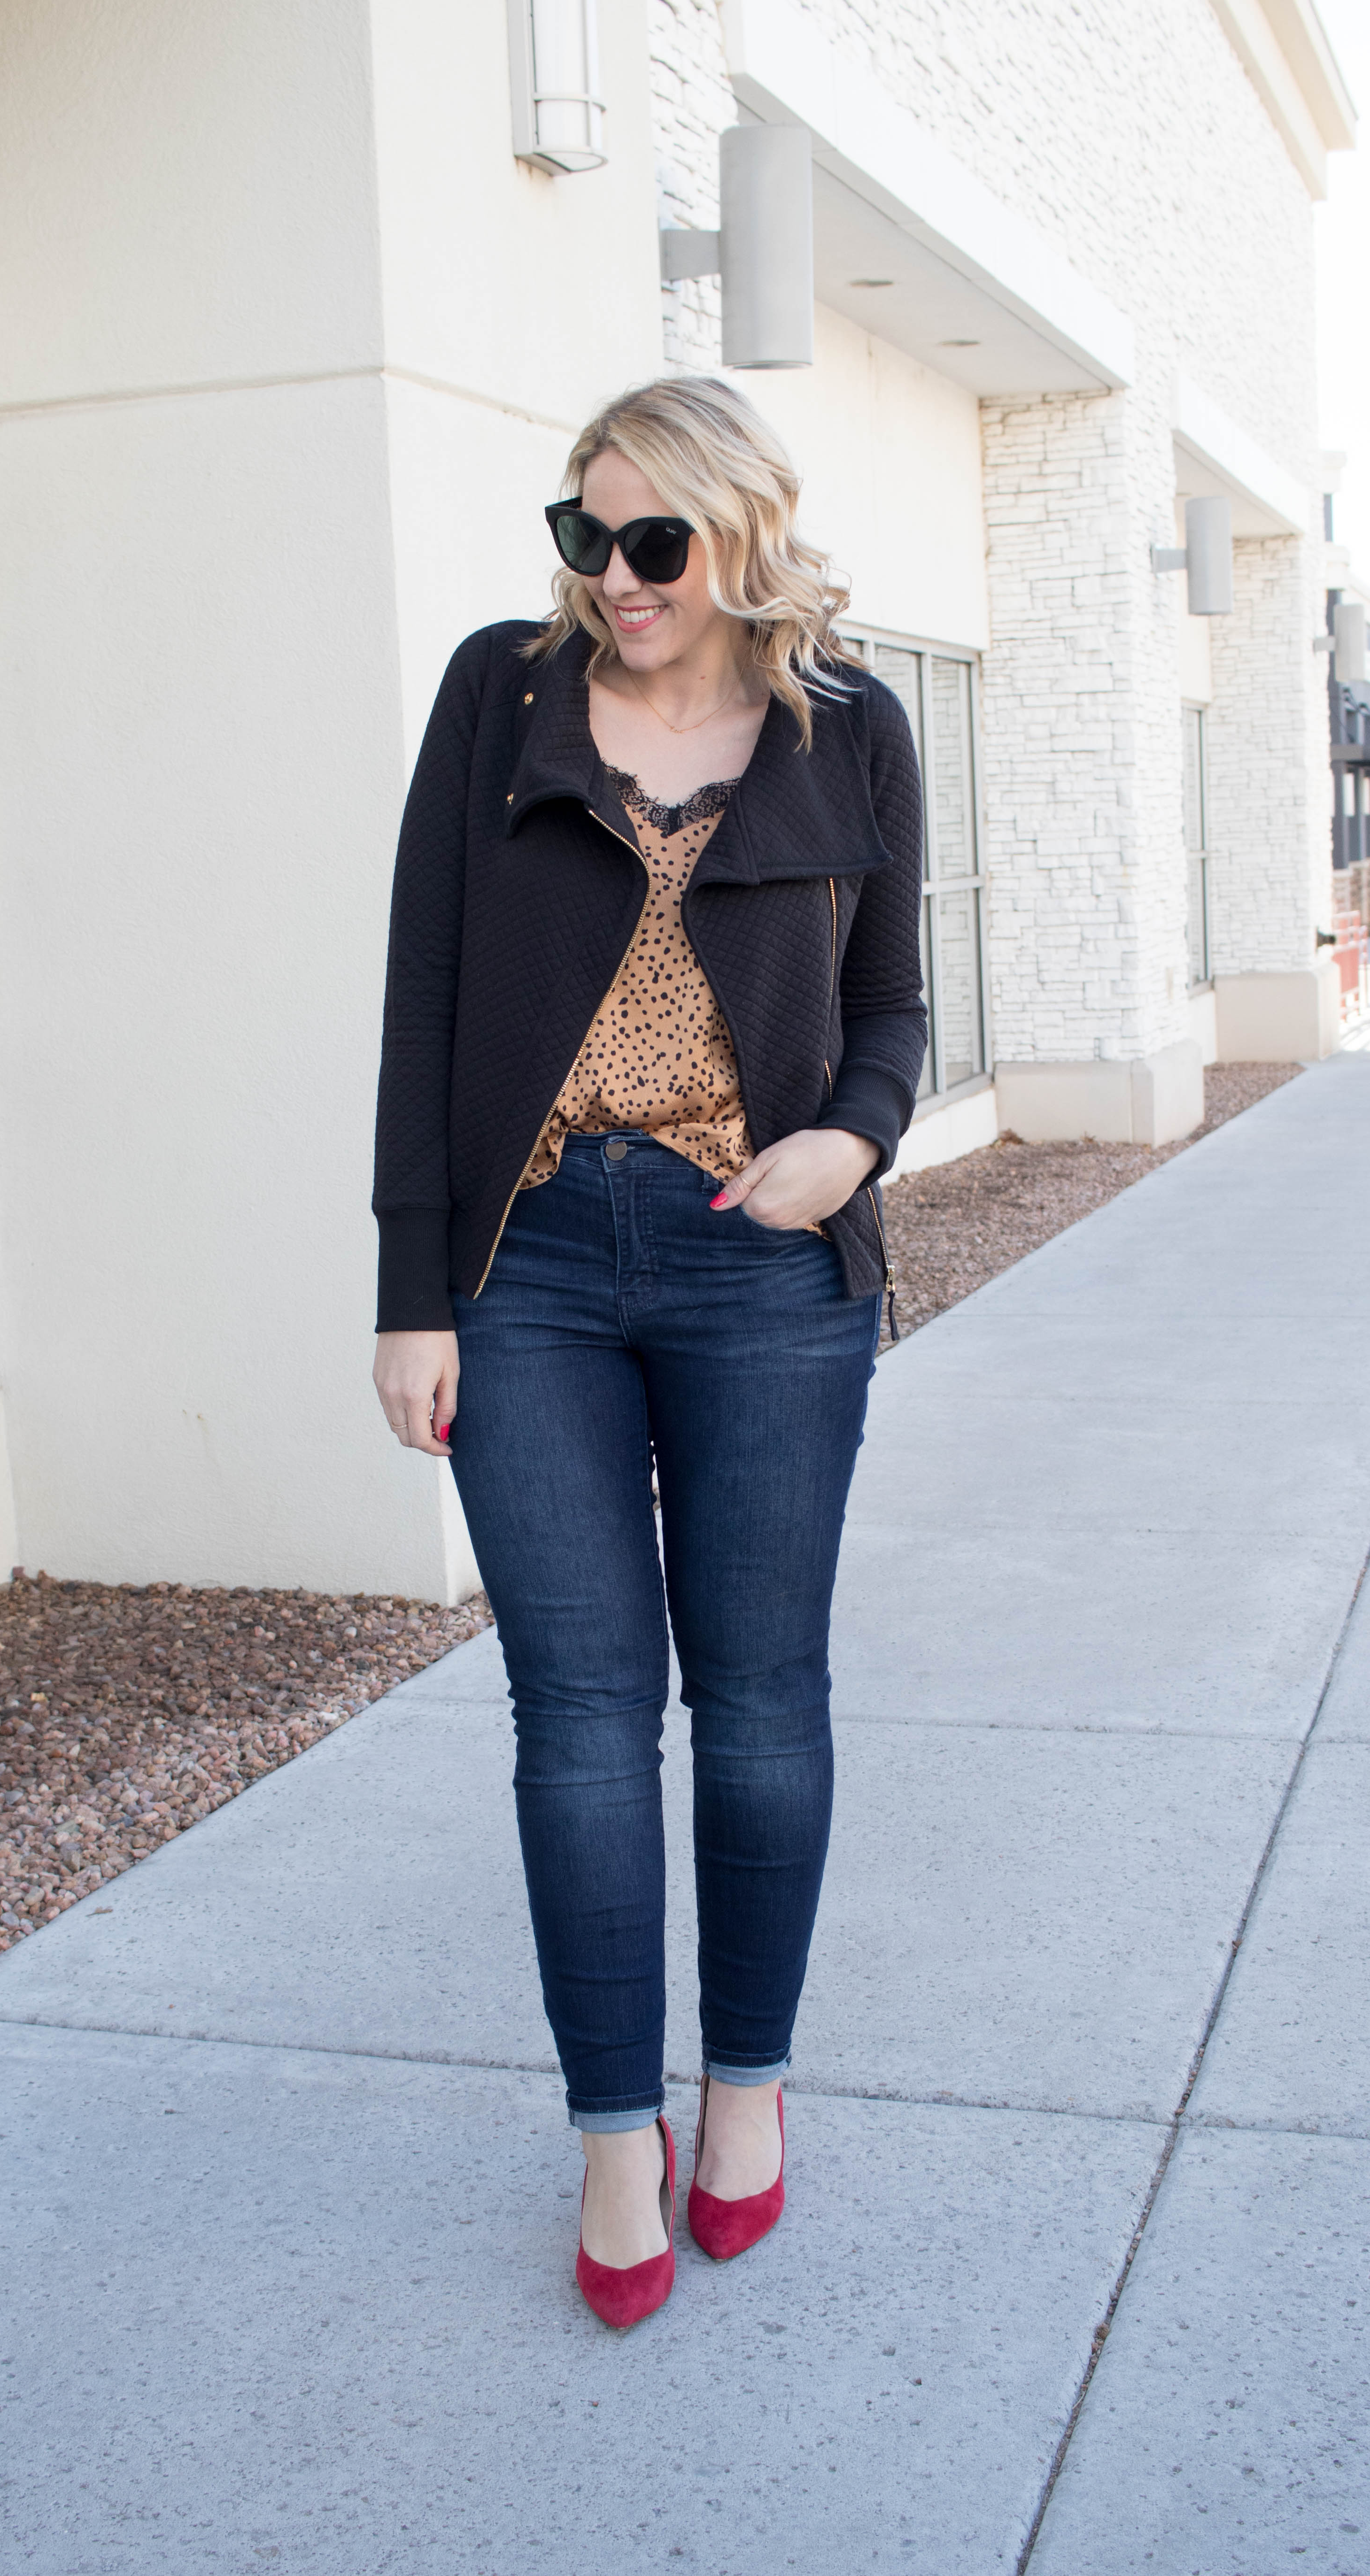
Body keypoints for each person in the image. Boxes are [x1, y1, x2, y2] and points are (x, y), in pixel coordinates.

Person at [372, 375, 925, 2329]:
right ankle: (619, 2126)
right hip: (529, 1263)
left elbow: (891, 1011)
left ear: (741, 533)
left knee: (763, 1704)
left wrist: (847, 1142)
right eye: (582, 532)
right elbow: (427, 981)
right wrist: (412, 1283)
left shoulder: (852, 728)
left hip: (756, 1262)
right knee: (581, 1718)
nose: (613, 575)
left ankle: (745, 2090)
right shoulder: (496, 695)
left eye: (653, 540)